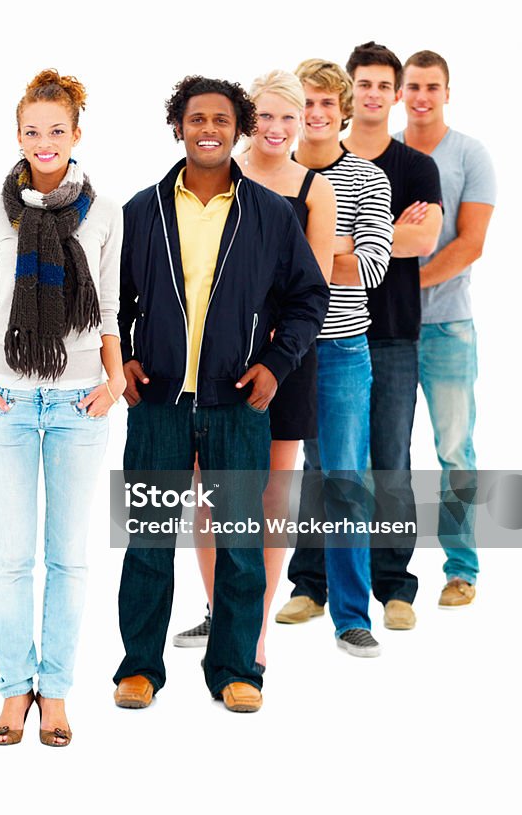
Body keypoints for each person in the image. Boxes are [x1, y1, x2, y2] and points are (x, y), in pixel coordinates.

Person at [112, 75, 328, 714]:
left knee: (239, 542)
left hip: (237, 405)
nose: (209, 128)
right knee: (149, 540)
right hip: (158, 405)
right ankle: (140, 668)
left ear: (238, 130)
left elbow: (307, 298)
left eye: (221, 119)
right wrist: (119, 356)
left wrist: (274, 366)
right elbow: (108, 300)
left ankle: (237, 670)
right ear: (178, 126)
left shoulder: (268, 213)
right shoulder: (141, 211)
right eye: (197, 117)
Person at [0, 70, 124, 745]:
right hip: (3, 395)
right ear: (19, 135)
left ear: (76, 134)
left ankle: (54, 691)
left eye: (56, 130)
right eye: (32, 131)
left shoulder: (104, 211)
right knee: (10, 556)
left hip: (78, 401)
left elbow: (111, 305)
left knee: (67, 556)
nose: (44, 141)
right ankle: (11, 690)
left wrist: (114, 380)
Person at [172, 70, 336, 670]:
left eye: (288, 118)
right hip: (206, 364)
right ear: (248, 120)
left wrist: (273, 346)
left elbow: (308, 290)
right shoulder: (216, 182)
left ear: (302, 124)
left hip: (282, 366)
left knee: (269, 498)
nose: (276, 128)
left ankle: (255, 631)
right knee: (209, 495)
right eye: (265, 116)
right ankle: (223, 617)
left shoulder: (313, 190)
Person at [276, 59, 393, 657]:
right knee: (255, 482)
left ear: (343, 111)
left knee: (345, 480)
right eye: (308, 103)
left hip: (342, 349)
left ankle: (351, 615)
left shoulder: (369, 177)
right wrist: (331, 247)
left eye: (327, 104)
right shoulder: (270, 174)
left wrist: (306, 258)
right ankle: (226, 611)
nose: (317, 114)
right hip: (275, 353)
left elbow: (371, 268)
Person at [342, 42, 442, 629]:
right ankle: (314, 581)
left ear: (397, 93)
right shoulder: (323, 160)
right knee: (326, 463)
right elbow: (302, 249)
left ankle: (394, 585)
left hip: (397, 334)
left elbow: (422, 242)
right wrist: (383, 233)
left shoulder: (415, 167)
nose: (375, 94)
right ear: (351, 90)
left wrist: (351, 238)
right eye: (365, 84)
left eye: (385, 85)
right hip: (329, 335)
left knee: (391, 464)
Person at [396, 49, 496, 607]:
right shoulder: (383, 154)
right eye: (413, 87)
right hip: (382, 332)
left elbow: (469, 244)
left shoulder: (469, 155)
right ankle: (389, 577)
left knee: (455, 448)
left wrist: (398, 282)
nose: (421, 97)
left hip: (447, 328)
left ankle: (461, 568)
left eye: (432, 87)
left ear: (447, 93)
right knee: (387, 454)